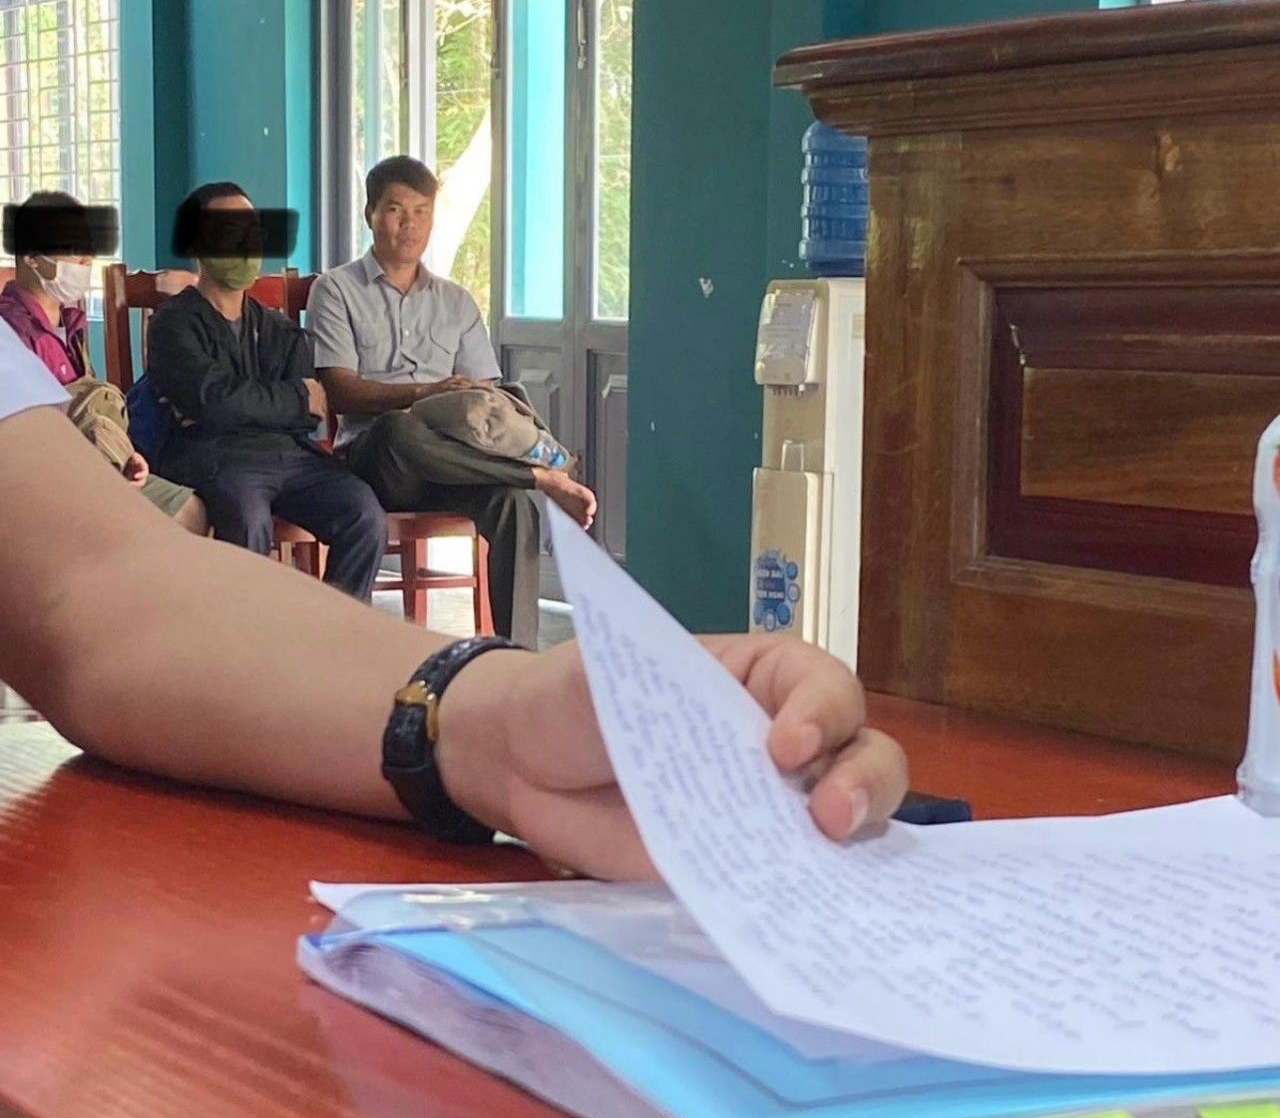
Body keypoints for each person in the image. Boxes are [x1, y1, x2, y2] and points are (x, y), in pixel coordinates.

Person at [0, 321, 909, 880]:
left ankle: (534, 488)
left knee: (438, 494)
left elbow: (97, 589)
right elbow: (310, 398)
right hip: (331, 447)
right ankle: (540, 478)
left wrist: (490, 715)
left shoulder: (438, 305)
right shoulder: (232, 318)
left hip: (321, 460)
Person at [307, 156, 596, 648]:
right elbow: (340, 390)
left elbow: (487, 404)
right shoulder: (335, 290)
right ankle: (541, 477)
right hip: (379, 462)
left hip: (456, 466)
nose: (410, 223)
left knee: (512, 506)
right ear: (370, 214)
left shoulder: (456, 301)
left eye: (422, 211)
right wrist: (425, 392)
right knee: (401, 429)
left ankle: (516, 656)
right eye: (397, 210)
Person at [146, 181, 387, 601]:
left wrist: (270, 402)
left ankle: (337, 635)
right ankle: (251, 645)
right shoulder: (174, 324)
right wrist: (291, 397)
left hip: (290, 456)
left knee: (363, 512)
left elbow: (310, 412)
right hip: (215, 457)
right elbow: (212, 402)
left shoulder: (278, 329)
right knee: (246, 516)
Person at [1, 189, 207, 535]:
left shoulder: (69, 321)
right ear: (33, 257)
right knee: (177, 519)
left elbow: (90, 411)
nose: (86, 259)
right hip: (50, 481)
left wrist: (124, 454)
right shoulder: (10, 331)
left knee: (191, 509)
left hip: (96, 463)